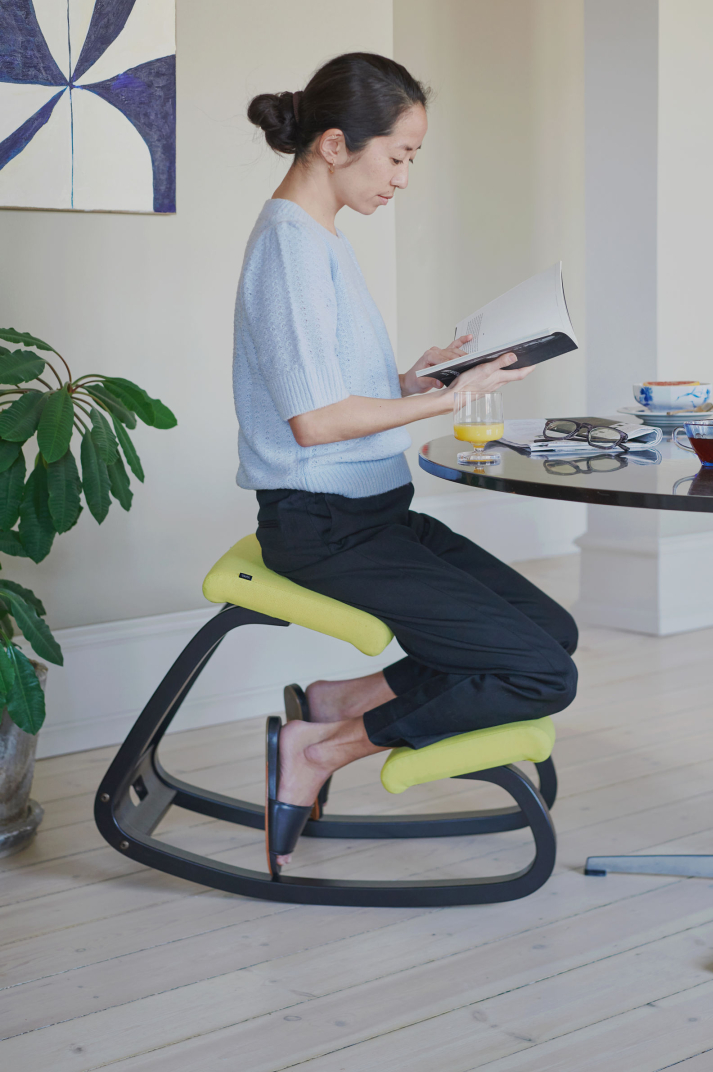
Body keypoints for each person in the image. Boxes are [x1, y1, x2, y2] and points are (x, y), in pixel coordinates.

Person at [236, 52, 578, 870]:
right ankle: (320, 750)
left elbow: (331, 390)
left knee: (548, 635)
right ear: (332, 145)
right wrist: (452, 399)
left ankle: (332, 702)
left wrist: (413, 380)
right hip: (323, 527)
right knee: (539, 675)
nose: (403, 177)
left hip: (373, 513)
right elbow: (315, 425)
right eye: (399, 155)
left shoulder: (319, 239)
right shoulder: (290, 247)